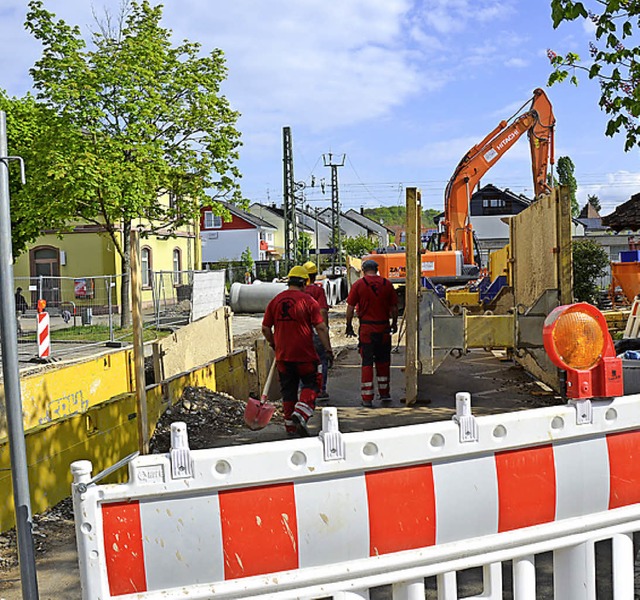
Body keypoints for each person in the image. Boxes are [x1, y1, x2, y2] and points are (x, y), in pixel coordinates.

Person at [262, 265, 334, 437]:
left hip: (283, 357)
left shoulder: (275, 301)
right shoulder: (308, 301)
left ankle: (290, 429)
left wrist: (274, 344)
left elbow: (265, 328)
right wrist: (328, 350)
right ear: (304, 283)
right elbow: (321, 328)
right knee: (312, 384)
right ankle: (301, 414)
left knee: (288, 391)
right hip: (305, 355)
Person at [345, 258, 398, 407]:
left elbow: (350, 307)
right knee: (383, 361)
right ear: (377, 269)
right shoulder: (387, 284)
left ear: (363, 270)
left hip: (367, 330)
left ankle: (367, 398)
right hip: (383, 329)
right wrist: (394, 323)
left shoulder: (359, 285)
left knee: (367, 362)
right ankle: (385, 393)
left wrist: (348, 325)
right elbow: (394, 307)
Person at [302, 260, 330, 400]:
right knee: (321, 361)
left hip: (301, 332)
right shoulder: (318, 291)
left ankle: (304, 391)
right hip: (316, 331)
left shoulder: (299, 291)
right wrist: (324, 331)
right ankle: (320, 390)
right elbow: (323, 311)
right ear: (314, 275)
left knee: (303, 361)